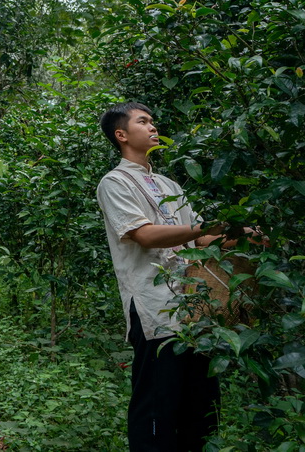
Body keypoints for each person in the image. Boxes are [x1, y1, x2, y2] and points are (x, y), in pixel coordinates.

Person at [96, 102, 223, 451]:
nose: (153, 127)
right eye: (143, 122)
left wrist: (238, 232)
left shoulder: (169, 184)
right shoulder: (115, 182)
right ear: (121, 135)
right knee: (156, 408)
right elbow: (144, 235)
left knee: (201, 407)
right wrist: (203, 228)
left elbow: (200, 237)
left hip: (195, 310)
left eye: (153, 121)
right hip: (155, 308)